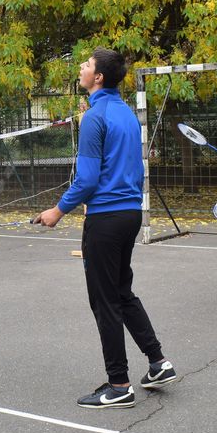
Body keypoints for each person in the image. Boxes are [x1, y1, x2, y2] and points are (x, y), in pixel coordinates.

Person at [34, 48, 176, 409]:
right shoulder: (126, 112)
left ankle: (119, 385)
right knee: (121, 292)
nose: (81, 68)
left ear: (97, 77)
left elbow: (87, 179)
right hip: (129, 215)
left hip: (107, 219)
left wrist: (57, 210)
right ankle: (158, 363)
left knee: (105, 302)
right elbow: (127, 168)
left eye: (86, 64)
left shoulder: (94, 117)